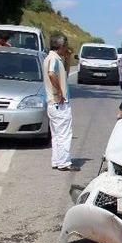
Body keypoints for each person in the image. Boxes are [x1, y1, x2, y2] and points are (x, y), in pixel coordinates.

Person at [44, 35, 78, 171]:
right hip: (59, 103)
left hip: (53, 103)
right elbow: (51, 73)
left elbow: (64, 75)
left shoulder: (52, 58)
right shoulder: (53, 59)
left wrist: (68, 59)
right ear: (61, 46)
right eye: (66, 46)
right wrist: (59, 92)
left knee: (57, 134)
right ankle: (64, 162)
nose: (67, 49)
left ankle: (57, 160)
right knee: (64, 134)